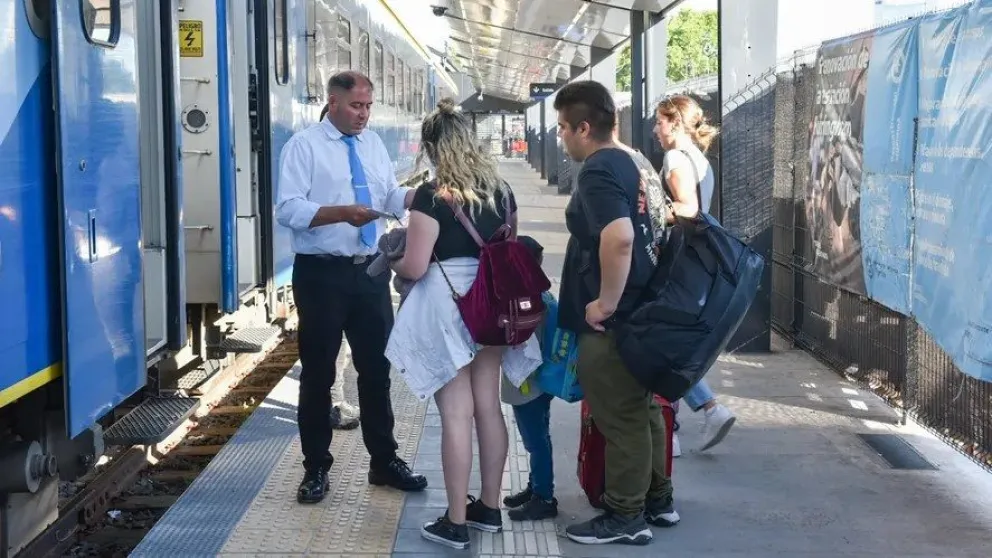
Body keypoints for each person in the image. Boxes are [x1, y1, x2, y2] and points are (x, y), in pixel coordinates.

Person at [385, 98, 542, 551]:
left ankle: (455, 521)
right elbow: (506, 247)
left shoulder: (432, 198)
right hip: (492, 304)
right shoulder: (502, 191)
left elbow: (415, 268)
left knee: (455, 414)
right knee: (488, 407)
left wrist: (394, 256)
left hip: (447, 306)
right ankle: (489, 509)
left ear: (432, 149)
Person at [275, 71, 428, 504]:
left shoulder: (374, 144)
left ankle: (384, 462)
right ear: (333, 102)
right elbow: (288, 209)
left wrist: (415, 198)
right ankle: (315, 468)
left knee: (377, 371)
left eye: (368, 107)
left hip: (370, 273)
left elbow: (388, 194)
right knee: (319, 373)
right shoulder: (303, 147)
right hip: (322, 276)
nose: (364, 115)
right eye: (357, 106)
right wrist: (342, 213)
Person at [553, 80, 679, 547]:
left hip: (614, 318)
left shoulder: (598, 169)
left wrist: (604, 302)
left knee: (621, 415)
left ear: (585, 127)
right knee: (642, 408)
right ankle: (657, 499)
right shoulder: (633, 160)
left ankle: (627, 515)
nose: (561, 137)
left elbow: (620, 235)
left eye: (565, 127)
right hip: (644, 308)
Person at [653, 95, 736, 453]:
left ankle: (671, 426)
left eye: (660, 122)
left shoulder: (674, 157)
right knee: (671, 340)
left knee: (659, 338)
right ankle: (704, 409)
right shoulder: (701, 159)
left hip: (677, 260)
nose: (656, 129)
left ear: (674, 122)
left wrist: (655, 215)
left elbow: (688, 207)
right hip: (697, 262)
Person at [500, 236, 559, 522]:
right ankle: (536, 487)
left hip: (529, 384)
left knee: (535, 441)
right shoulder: (543, 293)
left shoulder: (526, 300)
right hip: (540, 382)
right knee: (539, 437)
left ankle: (544, 497)